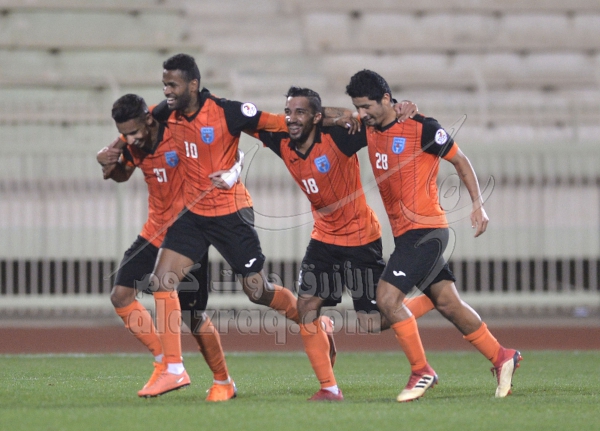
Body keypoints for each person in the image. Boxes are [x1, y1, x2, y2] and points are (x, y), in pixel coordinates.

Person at [136, 53, 336, 397]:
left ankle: (317, 321)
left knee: (257, 291)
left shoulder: (228, 112)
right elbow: (138, 124)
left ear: (193, 84)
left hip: (231, 214)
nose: (167, 90)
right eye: (164, 84)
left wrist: (339, 116)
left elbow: (281, 123)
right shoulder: (165, 112)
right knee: (162, 283)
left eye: (173, 84)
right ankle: (177, 369)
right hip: (192, 216)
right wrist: (113, 149)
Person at [345, 69, 522, 398]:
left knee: (386, 300)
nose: (362, 113)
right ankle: (502, 356)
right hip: (406, 234)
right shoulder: (368, 126)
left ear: (386, 99)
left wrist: (478, 205)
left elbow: (461, 161)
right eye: (358, 107)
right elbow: (328, 116)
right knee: (448, 304)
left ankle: (421, 371)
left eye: (366, 106)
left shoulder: (422, 127)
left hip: (426, 230)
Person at [253, 86, 436, 401]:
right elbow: (243, 120)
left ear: (317, 117)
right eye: (288, 112)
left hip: (360, 237)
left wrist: (401, 108)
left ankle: (432, 299)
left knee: (372, 322)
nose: (291, 119)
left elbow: (378, 120)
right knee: (306, 306)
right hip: (324, 238)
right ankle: (329, 388)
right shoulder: (281, 140)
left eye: (300, 112)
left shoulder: (341, 136)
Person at [97, 94, 241, 401]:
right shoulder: (135, 145)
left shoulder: (177, 135)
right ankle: (166, 362)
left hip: (187, 234)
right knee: (120, 296)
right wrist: (109, 163)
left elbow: (220, 147)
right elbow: (122, 174)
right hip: (153, 232)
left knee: (193, 317)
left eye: (134, 132)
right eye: (124, 134)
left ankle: (223, 381)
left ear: (149, 120)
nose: (131, 139)